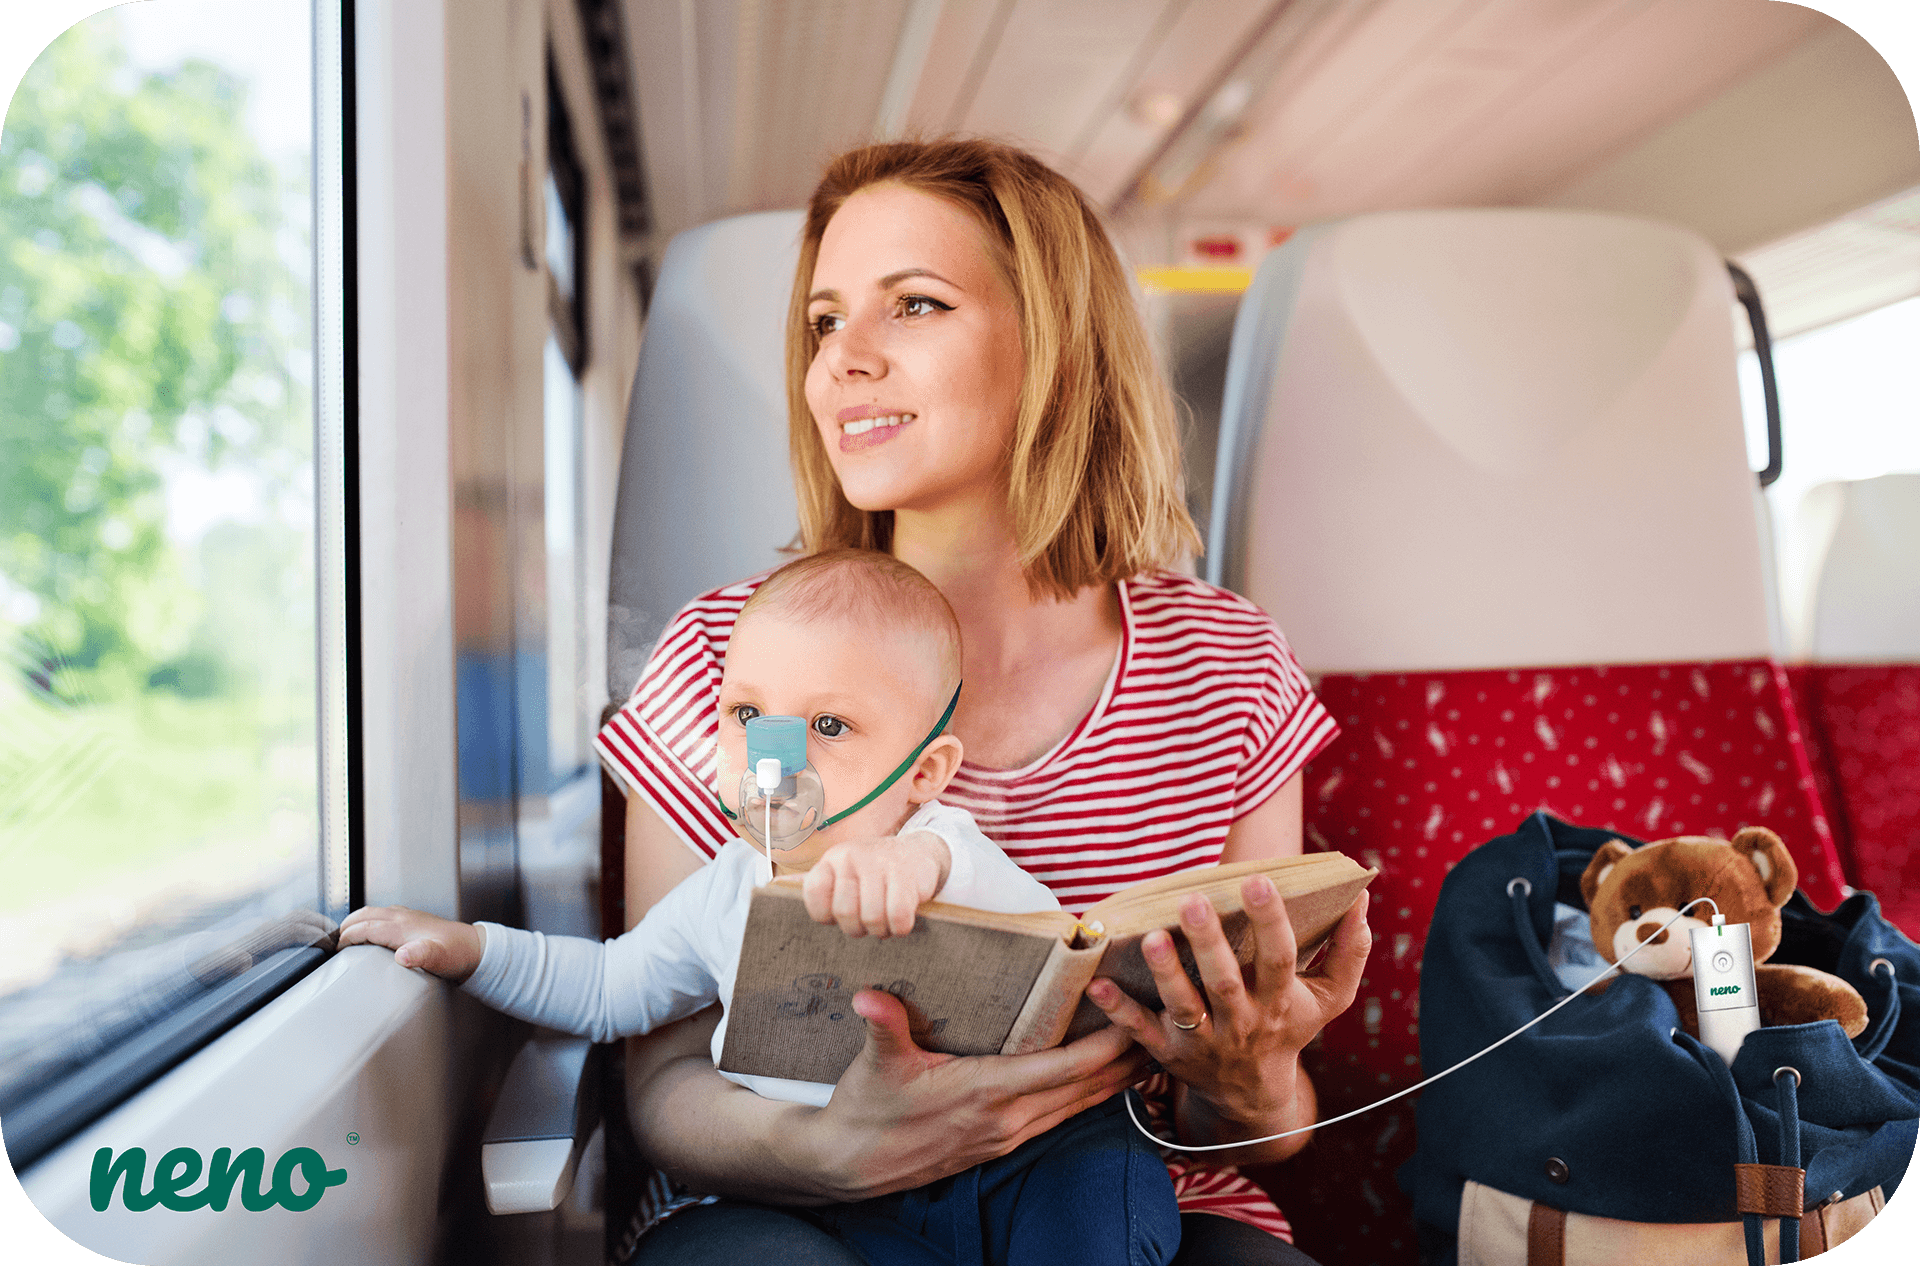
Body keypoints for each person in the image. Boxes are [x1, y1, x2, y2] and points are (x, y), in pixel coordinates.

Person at [598, 137, 1371, 1265]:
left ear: (1053, 347)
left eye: (911, 306)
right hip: (788, 1204)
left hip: (1125, 1202)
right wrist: (836, 1152)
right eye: (823, 321)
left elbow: (1258, 1137)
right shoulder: (723, 652)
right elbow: (659, 1077)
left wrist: (1253, 1085)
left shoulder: (1229, 666)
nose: (840, 363)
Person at [338, 549, 1182, 1265]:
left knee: (1105, 1189)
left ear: (924, 772)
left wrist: (905, 866)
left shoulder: (943, 849)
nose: (773, 760)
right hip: (813, 1200)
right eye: (748, 714)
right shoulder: (724, 889)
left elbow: (1063, 952)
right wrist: (474, 949)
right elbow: (604, 988)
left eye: (830, 725)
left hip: (1014, 1169)